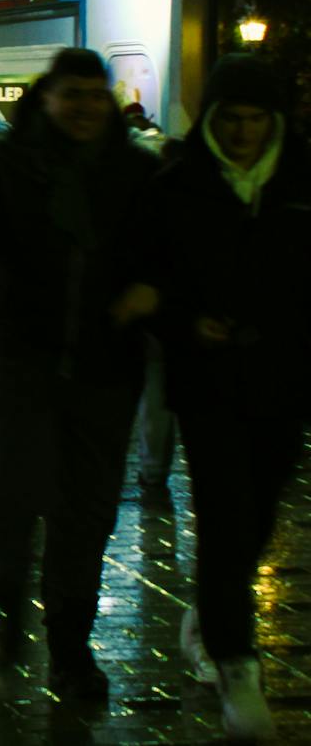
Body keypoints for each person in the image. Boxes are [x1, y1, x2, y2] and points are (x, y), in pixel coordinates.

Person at [0, 48, 156, 701]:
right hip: (17, 357)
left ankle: (70, 650)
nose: (84, 106)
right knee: (14, 496)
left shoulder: (134, 169)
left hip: (104, 363)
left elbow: (165, 250)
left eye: (94, 94)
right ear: (47, 98)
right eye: (71, 94)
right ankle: (8, 610)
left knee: (86, 512)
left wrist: (151, 291)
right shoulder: (5, 162)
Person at [118, 55, 308, 737]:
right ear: (213, 118)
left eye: (256, 119)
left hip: (286, 379)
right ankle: (236, 665)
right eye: (232, 118)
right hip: (209, 381)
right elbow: (146, 281)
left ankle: (209, 611)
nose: (244, 132)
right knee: (226, 513)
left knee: (258, 513)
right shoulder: (177, 187)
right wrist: (184, 321)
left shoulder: (299, 184)